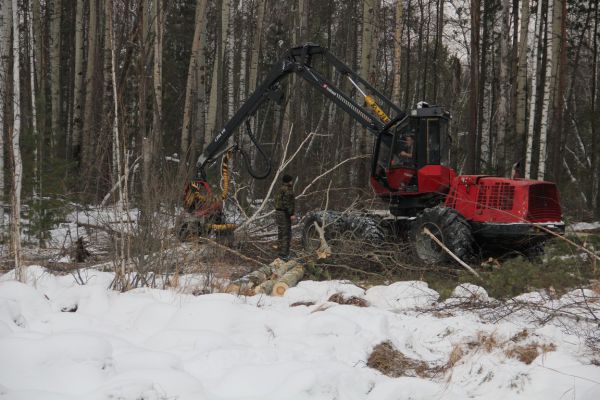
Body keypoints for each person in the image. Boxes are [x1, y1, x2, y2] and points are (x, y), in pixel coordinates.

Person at [274, 174, 297, 259]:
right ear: (289, 181)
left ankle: (280, 252)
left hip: (278, 213)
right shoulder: (287, 190)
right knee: (286, 234)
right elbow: (287, 203)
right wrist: (291, 214)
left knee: (280, 233)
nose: (292, 182)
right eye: (291, 180)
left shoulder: (280, 189)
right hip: (284, 214)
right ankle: (284, 255)